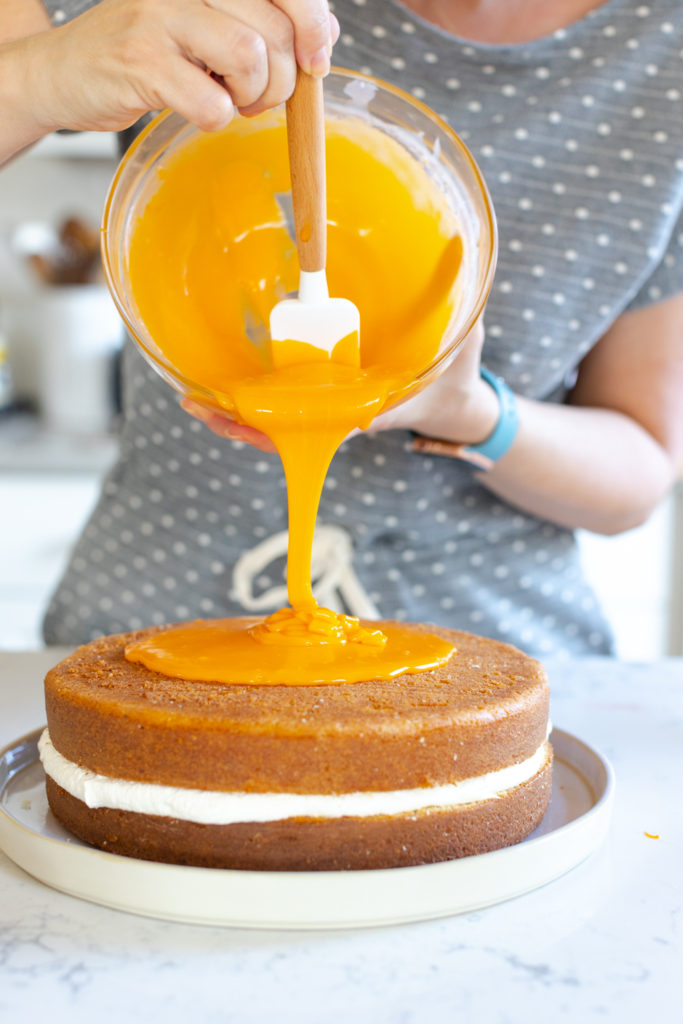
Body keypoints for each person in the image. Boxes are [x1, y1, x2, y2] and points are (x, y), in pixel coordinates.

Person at [2, 0, 682, 658]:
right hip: (147, 625)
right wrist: (38, 77)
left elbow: (639, 469)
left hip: (482, 645)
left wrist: (468, 411)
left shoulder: (662, 55)